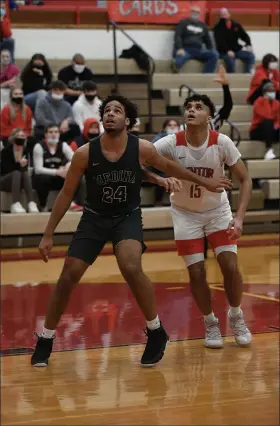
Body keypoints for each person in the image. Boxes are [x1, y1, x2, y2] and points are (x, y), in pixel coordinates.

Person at [30, 94, 232, 367]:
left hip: (126, 217)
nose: (110, 114)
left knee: (130, 265)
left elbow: (171, 166)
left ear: (128, 121)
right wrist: (47, 234)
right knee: (68, 275)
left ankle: (156, 330)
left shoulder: (142, 148)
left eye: (117, 110)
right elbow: (66, 194)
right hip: (94, 219)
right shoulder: (84, 154)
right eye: (107, 110)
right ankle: (46, 338)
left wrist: (205, 182)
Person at [151, 93, 253, 349]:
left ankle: (236, 314)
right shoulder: (171, 143)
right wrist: (160, 179)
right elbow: (139, 160)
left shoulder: (222, 142)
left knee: (229, 266)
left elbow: (245, 179)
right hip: (185, 213)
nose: (191, 110)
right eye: (188, 107)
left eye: (198, 107)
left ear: (209, 116)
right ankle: (210, 321)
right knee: (196, 273)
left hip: (217, 212)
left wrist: (239, 218)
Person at [32, 124, 75, 211]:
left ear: (59, 134)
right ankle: (43, 206)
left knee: (73, 175)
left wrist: (67, 166)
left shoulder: (63, 145)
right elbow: (38, 170)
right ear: (45, 134)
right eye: (50, 132)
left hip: (57, 177)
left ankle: (71, 202)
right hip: (42, 178)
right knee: (43, 178)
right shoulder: (39, 147)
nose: (53, 134)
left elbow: (75, 159)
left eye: (56, 132)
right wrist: (57, 172)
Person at [0, 128, 39, 213]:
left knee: (24, 173)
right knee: (17, 173)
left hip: (19, 181)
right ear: (13, 138)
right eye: (18, 136)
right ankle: (15, 203)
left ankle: (31, 203)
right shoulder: (6, 151)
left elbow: (24, 171)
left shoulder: (25, 151)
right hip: (5, 180)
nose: (20, 138)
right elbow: (4, 169)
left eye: (22, 136)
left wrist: (23, 166)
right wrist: (18, 164)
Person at [172, 5, 218, 73]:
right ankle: (175, 71)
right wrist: (179, 48)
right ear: (190, 12)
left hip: (198, 50)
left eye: (197, 12)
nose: (195, 14)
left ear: (199, 14)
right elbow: (177, 36)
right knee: (178, 62)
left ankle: (206, 75)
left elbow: (208, 40)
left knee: (214, 55)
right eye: (193, 11)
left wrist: (211, 49)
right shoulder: (183, 23)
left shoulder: (203, 26)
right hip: (186, 49)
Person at [213, 8, 255, 74]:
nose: (224, 16)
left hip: (236, 50)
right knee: (230, 60)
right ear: (220, 16)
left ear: (229, 14)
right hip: (223, 52)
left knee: (250, 55)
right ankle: (232, 77)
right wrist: (227, 51)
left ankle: (248, 74)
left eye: (225, 14)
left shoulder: (236, 25)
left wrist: (248, 45)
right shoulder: (217, 27)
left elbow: (244, 36)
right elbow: (219, 41)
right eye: (222, 15)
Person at [250, 82, 280, 160]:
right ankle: (268, 149)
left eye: (273, 91)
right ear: (265, 93)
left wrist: (277, 125)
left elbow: (278, 118)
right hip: (257, 131)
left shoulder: (277, 103)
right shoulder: (258, 102)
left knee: (274, 125)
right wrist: (266, 101)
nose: (272, 93)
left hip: (271, 130)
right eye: (270, 91)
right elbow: (267, 115)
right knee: (268, 121)